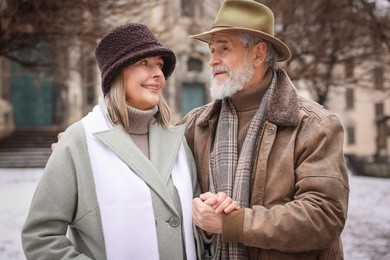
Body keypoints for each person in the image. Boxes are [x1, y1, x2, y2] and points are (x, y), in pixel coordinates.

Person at [21, 23, 238, 260]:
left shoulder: (178, 142)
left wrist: (207, 225)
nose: (157, 73)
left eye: (159, 65)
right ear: (117, 72)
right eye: (144, 63)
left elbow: (193, 230)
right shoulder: (79, 141)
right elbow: (40, 237)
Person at [179, 0, 350, 259]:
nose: (212, 60)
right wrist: (202, 215)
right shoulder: (193, 125)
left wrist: (232, 223)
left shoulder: (314, 125)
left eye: (223, 48)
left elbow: (323, 216)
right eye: (211, 50)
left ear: (258, 54)